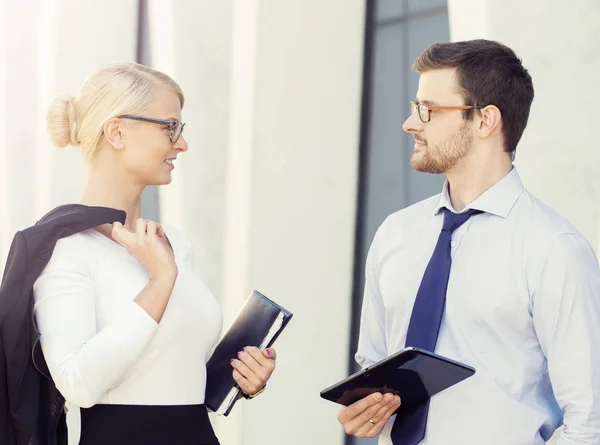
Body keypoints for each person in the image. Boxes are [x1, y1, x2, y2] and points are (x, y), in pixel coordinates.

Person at [337, 39, 600, 444]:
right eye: (414, 108)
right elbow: (373, 362)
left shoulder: (554, 249)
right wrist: (369, 409)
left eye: (428, 110)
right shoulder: (396, 233)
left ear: (484, 121)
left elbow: (589, 420)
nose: (410, 124)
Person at [32, 62, 276, 445]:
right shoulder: (67, 249)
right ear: (117, 132)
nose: (181, 143)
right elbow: (78, 384)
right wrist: (160, 282)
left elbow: (171, 370)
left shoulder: (174, 243)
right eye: (170, 127)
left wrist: (242, 377)